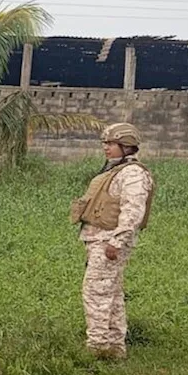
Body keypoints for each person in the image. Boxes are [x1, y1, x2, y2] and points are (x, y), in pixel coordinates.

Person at [70, 123, 155, 360]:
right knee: (112, 294)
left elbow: (132, 211)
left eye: (111, 144)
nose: (105, 148)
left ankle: (97, 346)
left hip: (109, 242)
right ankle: (115, 346)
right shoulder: (117, 170)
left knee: (96, 293)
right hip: (102, 240)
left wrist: (117, 242)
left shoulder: (133, 174)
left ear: (126, 146)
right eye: (105, 143)